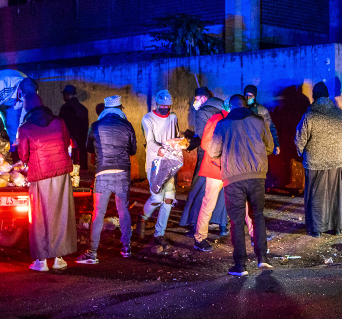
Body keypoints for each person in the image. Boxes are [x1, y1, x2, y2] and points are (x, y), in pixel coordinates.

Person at [210, 94, 275, 276]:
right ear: (245, 105)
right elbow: (269, 147)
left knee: (237, 222)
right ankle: (263, 258)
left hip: (233, 179)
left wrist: (224, 161)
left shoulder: (222, 124)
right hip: (257, 176)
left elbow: (213, 152)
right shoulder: (259, 121)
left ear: (230, 107)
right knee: (258, 216)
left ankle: (240, 266)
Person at [18, 90, 77, 271]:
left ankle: (41, 261)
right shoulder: (59, 122)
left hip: (40, 174)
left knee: (40, 216)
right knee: (60, 214)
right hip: (61, 174)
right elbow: (67, 142)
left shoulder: (25, 128)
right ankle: (59, 258)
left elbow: (23, 155)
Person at [76, 96, 137, 264]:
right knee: (123, 210)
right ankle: (126, 247)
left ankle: (92, 252)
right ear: (120, 109)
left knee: (98, 212)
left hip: (103, 173)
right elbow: (133, 150)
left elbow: (88, 147)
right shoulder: (127, 125)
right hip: (123, 173)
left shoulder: (95, 126)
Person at [188, 99, 254, 251]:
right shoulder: (216, 119)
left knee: (242, 201)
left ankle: (254, 233)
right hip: (216, 168)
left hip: (230, 167)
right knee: (209, 203)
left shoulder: (233, 119)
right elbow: (205, 144)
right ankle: (200, 238)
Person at [295, 82, 342, 236]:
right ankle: (337, 227)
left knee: (316, 196)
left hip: (315, 163)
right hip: (336, 162)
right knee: (335, 196)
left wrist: (302, 153)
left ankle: (316, 229)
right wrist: (335, 148)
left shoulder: (309, 116)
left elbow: (300, 139)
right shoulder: (338, 114)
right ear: (327, 96)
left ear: (313, 96)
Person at [135, 90, 181, 246]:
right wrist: (159, 149)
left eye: (168, 106)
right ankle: (142, 217)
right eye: (163, 105)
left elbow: (176, 135)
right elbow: (150, 140)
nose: (165, 108)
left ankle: (159, 233)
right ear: (157, 104)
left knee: (169, 198)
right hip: (155, 163)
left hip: (169, 162)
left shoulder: (173, 117)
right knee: (156, 198)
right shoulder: (148, 118)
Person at [180, 91, 228, 239]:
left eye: (196, 99)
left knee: (199, 191)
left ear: (204, 98)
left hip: (207, 158)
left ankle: (196, 226)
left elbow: (202, 137)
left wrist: (188, 143)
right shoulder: (223, 110)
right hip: (226, 158)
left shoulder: (202, 112)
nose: (194, 102)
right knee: (222, 193)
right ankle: (223, 226)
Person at [58, 85, 90, 171]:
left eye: (64, 95)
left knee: (70, 167)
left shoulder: (65, 108)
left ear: (67, 95)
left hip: (69, 142)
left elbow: (62, 126)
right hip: (82, 143)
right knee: (81, 168)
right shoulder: (83, 108)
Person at [243, 85, 279, 155]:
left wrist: (276, 144)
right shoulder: (240, 109)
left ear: (255, 96)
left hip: (257, 147)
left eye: (251, 96)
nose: (248, 98)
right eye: (246, 95)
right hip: (243, 147)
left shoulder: (262, 110)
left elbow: (270, 128)